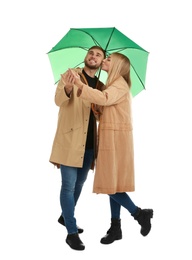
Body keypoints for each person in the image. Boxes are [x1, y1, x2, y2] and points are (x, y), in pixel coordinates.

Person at [66, 52, 154, 245]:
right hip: (112, 137)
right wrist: (97, 109)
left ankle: (139, 214)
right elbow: (106, 107)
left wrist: (81, 86)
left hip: (116, 140)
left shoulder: (119, 84)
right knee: (113, 184)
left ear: (117, 66)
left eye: (107, 59)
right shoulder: (114, 84)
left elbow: (105, 98)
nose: (103, 60)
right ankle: (116, 227)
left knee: (108, 184)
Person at [49, 46, 106, 251]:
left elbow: (100, 115)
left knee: (80, 184)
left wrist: (99, 108)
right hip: (70, 141)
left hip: (90, 144)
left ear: (102, 61)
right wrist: (67, 88)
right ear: (86, 56)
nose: (93, 56)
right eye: (91, 53)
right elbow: (58, 101)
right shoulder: (71, 74)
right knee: (68, 186)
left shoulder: (100, 86)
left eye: (98, 55)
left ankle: (65, 216)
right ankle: (71, 232)